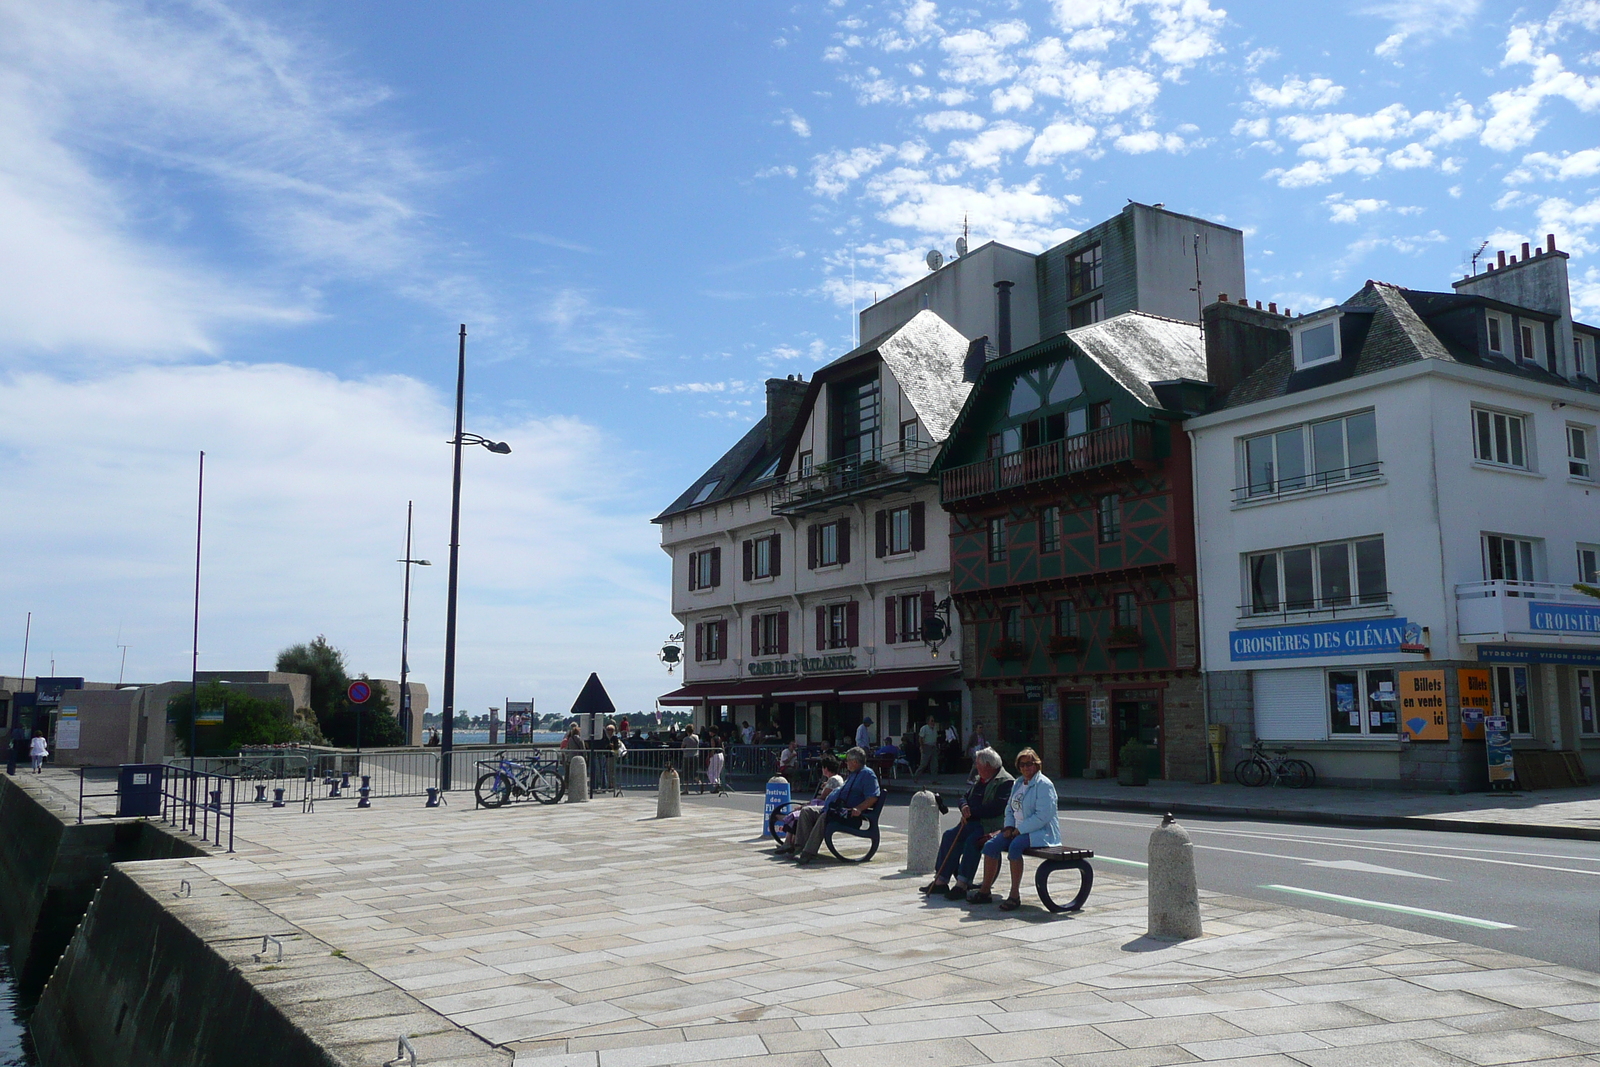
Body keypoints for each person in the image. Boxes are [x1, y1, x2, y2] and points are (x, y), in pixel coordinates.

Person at [967, 748, 1060, 911]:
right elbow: (1009, 809)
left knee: (1015, 846)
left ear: (1037, 764)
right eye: (1022, 764)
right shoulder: (1018, 783)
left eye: (1029, 764)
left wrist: (1019, 830)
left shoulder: (1044, 785)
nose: (1026, 768)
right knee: (990, 846)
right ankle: (985, 890)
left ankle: (1014, 895)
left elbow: (1043, 816)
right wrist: (1009, 827)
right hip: (1015, 829)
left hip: (1040, 832)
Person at [919, 747, 1013, 900]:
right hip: (972, 821)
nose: (976, 767)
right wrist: (964, 807)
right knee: (949, 836)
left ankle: (962, 884)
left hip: (990, 825)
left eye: (978, 764)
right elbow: (964, 797)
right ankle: (941, 880)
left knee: (972, 841)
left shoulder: (1005, 782)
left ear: (988, 765)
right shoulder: (980, 780)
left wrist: (972, 812)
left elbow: (997, 808)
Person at [791, 747, 879, 865]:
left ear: (855, 762)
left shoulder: (868, 775)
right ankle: (800, 848)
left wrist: (858, 808)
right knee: (807, 811)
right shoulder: (853, 774)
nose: (846, 763)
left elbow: (873, 796)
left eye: (847, 760)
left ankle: (808, 853)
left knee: (825, 817)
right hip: (836, 809)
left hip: (848, 815)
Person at [774, 756, 843, 851]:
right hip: (823, 806)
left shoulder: (833, 780)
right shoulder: (835, 779)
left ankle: (789, 842)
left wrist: (805, 805)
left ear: (826, 768)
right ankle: (789, 842)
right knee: (799, 814)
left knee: (800, 815)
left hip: (824, 808)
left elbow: (823, 797)